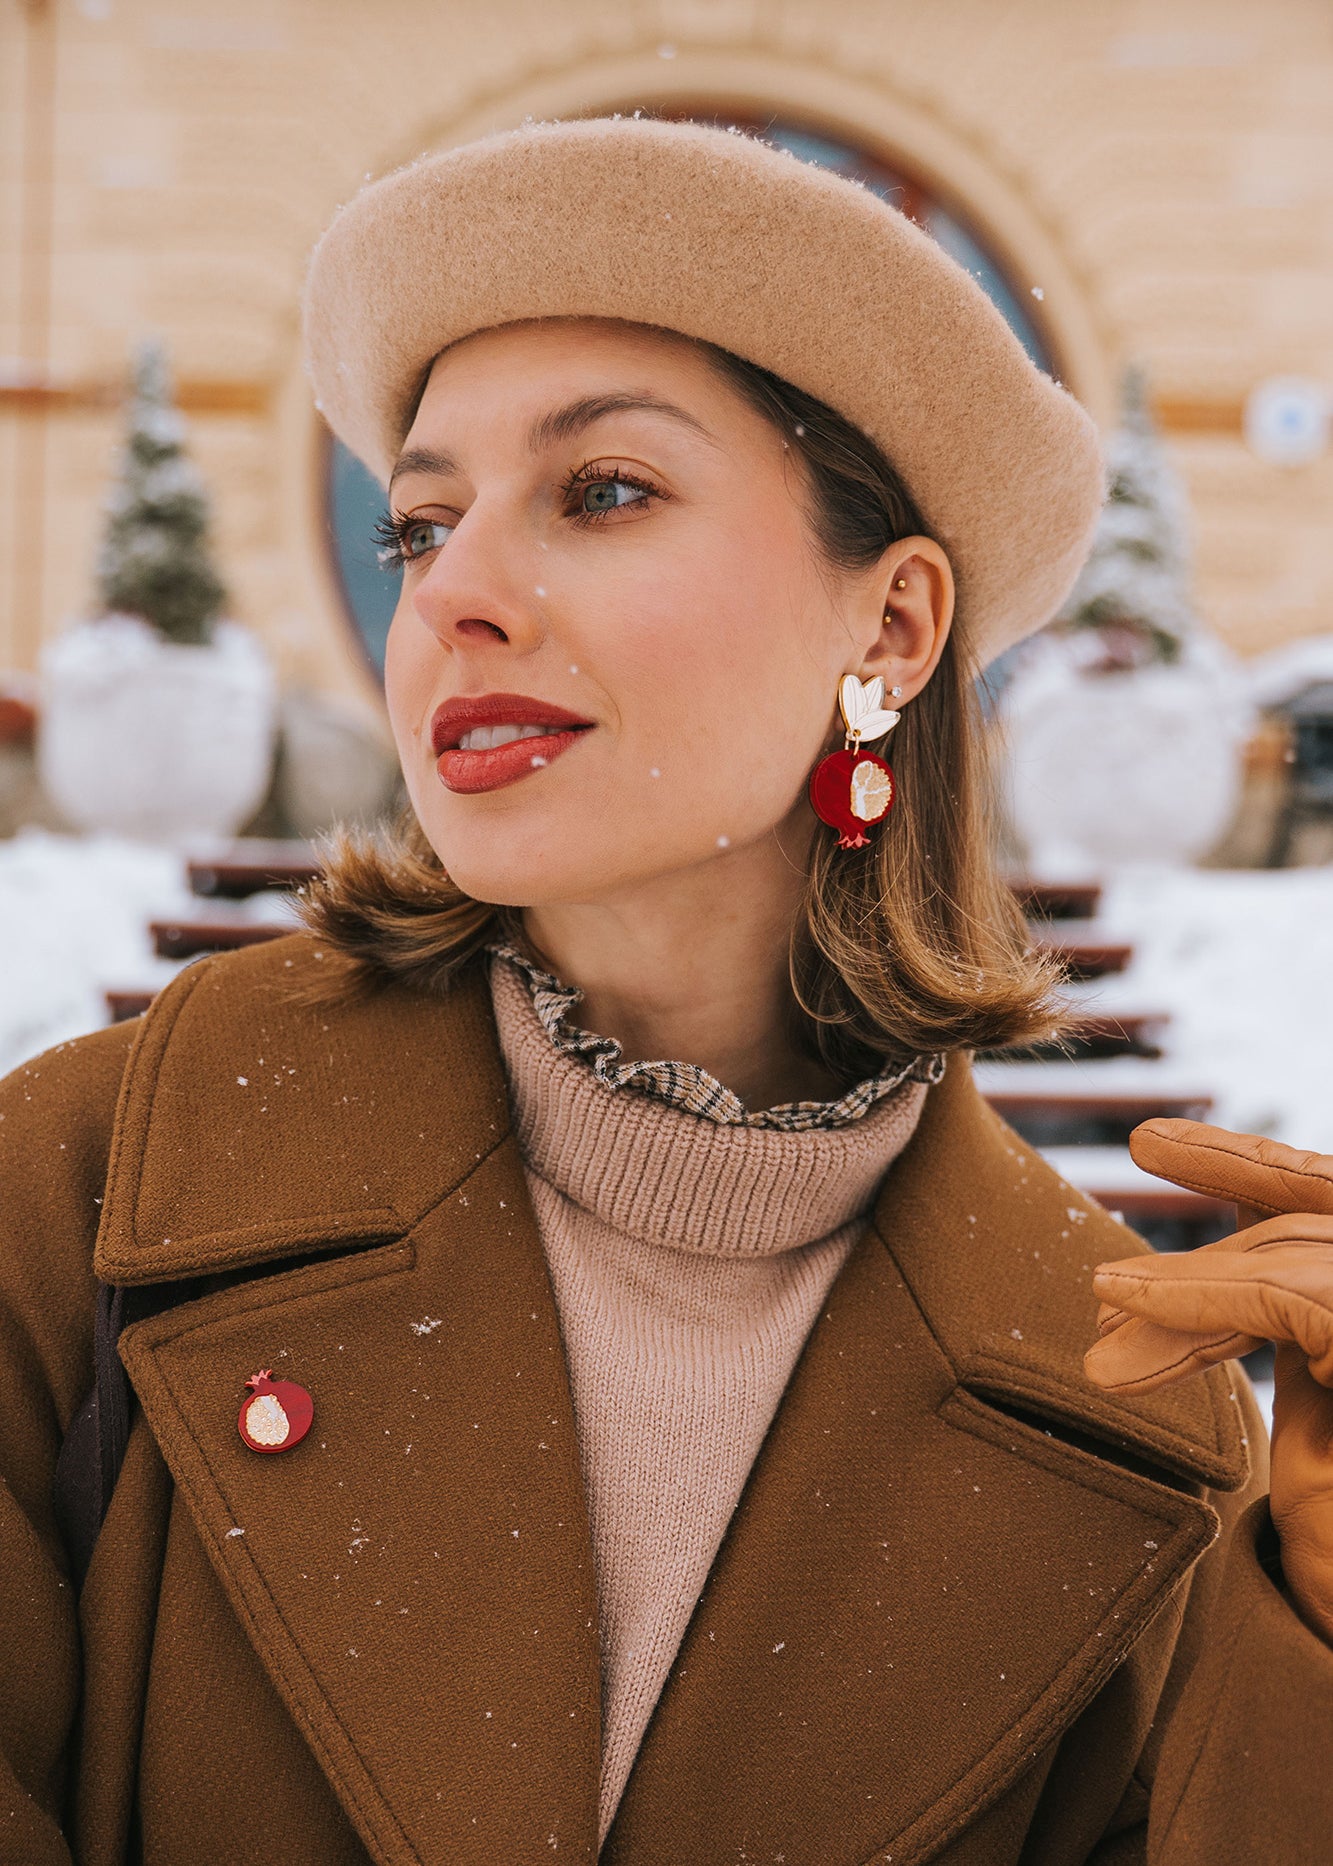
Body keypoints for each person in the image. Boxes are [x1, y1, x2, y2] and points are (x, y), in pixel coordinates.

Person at [1, 114, 1330, 1865]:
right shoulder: (85, 1191)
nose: (456, 593)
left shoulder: (1136, 1413)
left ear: (891, 628)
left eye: (603, 491)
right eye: (419, 524)